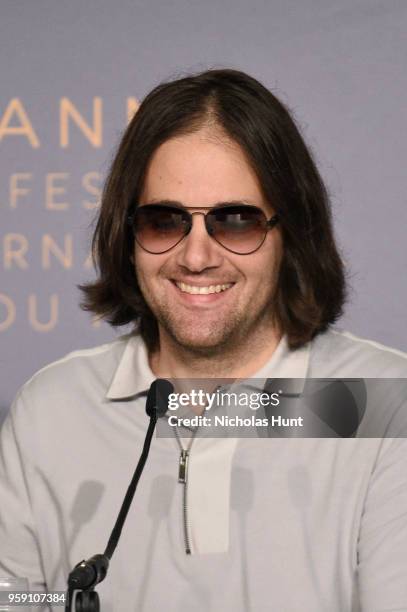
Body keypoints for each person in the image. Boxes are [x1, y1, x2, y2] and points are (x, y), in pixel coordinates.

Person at [0, 69, 406, 612]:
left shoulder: (382, 404)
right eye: (164, 221)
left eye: (236, 221)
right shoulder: (50, 410)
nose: (195, 256)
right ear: (128, 234)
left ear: (292, 234)